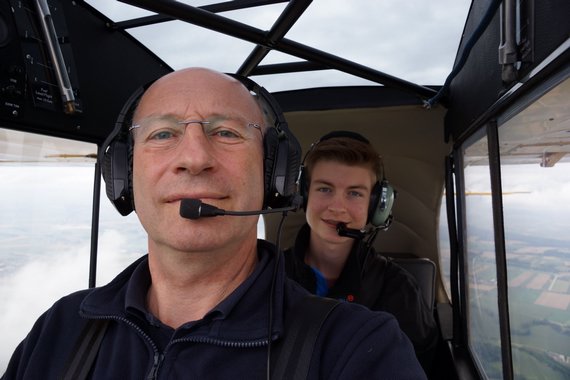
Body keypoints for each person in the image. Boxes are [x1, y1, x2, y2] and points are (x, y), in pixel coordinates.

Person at [2, 69, 426, 379]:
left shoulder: (359, 349)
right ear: (122, 174)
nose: (194, 158)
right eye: (162, 134)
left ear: (271, 176)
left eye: (226, 132)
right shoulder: (59, 329)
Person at [284, 131, 438, 373]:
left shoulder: (398, 290)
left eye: (354, 193)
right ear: (304, 194)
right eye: (325, 189)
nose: (337, 207)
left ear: (376, 206)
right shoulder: (268, 276)